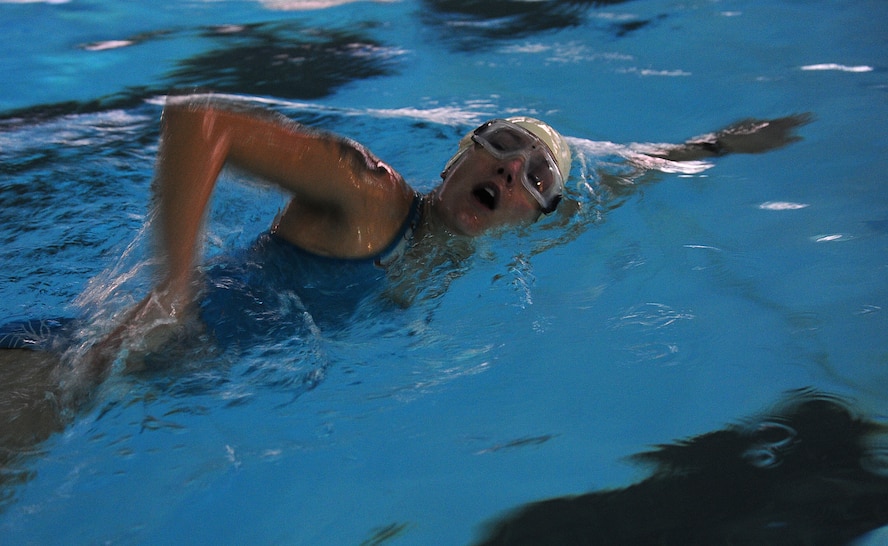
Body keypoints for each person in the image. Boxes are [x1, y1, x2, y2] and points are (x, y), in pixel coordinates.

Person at [0, 94, 810, 458]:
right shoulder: (370, 197)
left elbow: (621, 178)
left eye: (536, 179)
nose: (516, 169)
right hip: (60, 371)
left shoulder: (485, 245)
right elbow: (197, 122)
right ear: (461, 153)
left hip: (123, 402)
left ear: (537, 218)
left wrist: (719, 146)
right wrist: (173, 292)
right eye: (501, 146)